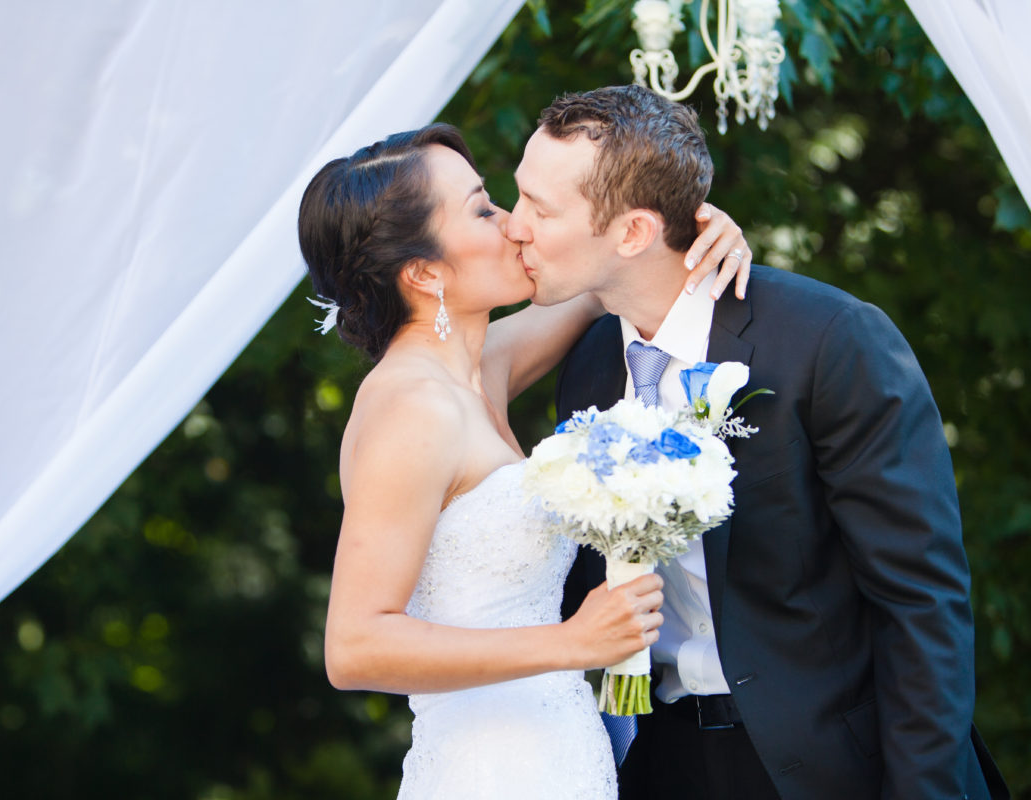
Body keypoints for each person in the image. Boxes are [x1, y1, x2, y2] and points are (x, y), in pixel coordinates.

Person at [510, 84, 1009, 799]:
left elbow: (920, 603)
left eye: (541, 208)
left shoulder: (826, 341)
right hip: (661, 764)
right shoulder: (588, 366)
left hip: (835, 766)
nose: (514, 226)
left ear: (632, 233)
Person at [298, 123, 753, 799]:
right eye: (483, 209)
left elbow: (610, 278)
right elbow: (355, 646)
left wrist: (701, 232)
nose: (514, 224)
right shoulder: (411, 408)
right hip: (487, 770)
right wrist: (572, 643)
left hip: (562, 756)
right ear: (424, 272)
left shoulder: (480, 368)